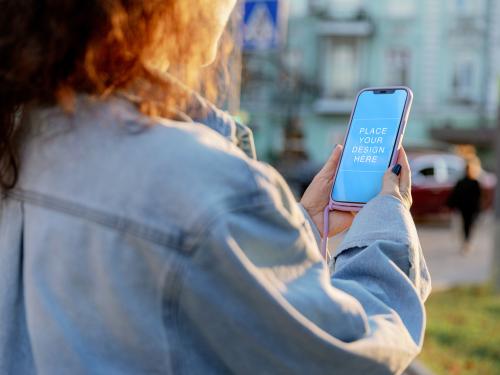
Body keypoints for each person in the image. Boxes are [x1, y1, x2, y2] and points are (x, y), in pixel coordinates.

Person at [0, 1, 430, 374]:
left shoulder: (23, 138)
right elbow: (347, 355)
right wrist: (385, 226)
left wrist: (289, 226)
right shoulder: (202, 188)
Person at [447, 158, 482, 253]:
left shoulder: (473, 182)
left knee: (467, 225)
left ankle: (466, 242)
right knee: (467, 225)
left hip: (468, 208)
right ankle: (466, 242)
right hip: (466, 208)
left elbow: (478, 197)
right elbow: (455, 195)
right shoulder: (470, 182)